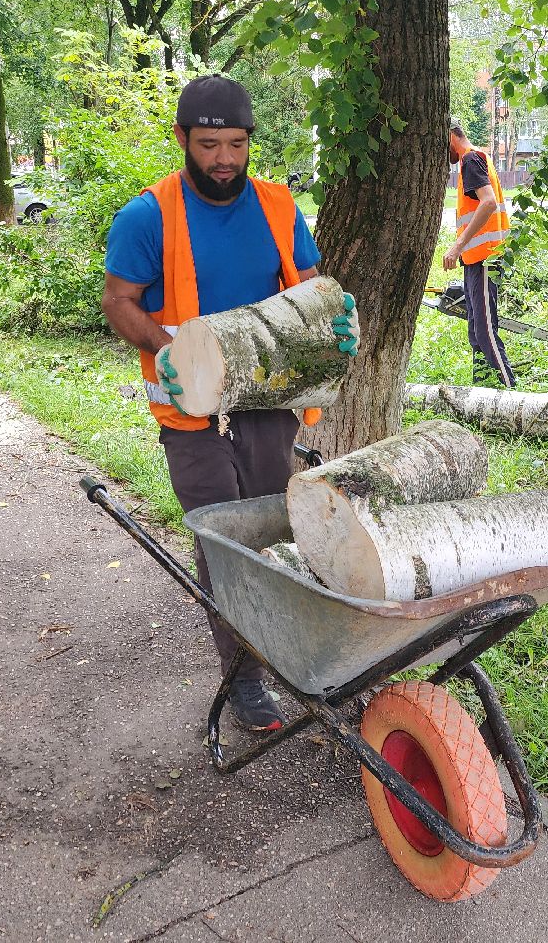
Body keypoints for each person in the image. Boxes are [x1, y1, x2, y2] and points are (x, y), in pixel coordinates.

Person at [102, 74, 357, 733]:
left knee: (274, 530)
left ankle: (295, 653)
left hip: (269, 401)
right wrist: (169, 353)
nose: (223, 159)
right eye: (208, 144)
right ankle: (244, 680)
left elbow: (307, 295)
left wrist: (338, 322)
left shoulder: (276, 207)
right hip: (190, 414)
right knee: (224, 539)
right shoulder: (147, 216)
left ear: (250, 143)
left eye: (236, 144)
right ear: (183, 139)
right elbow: (118, 302)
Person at [442, 122, 515, 388]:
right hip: (476, 260)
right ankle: (482, 393)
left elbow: (488, 202)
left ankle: (510, 392)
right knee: (475, 331)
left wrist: (456, 246)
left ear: (450, 137)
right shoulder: (471, 161)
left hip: (485, 258)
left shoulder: (471, 159)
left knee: (485, 332)